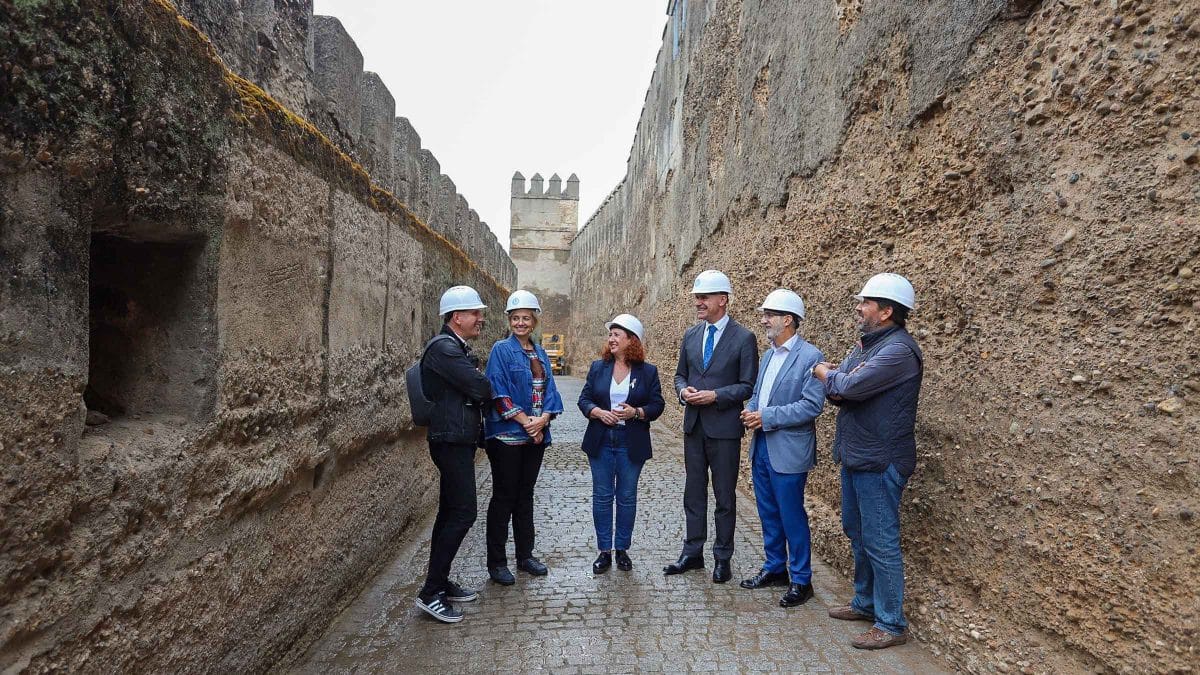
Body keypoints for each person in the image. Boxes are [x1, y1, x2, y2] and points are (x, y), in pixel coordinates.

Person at [813, 273, 923, 650]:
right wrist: (840, 380)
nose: (859, 308)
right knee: (857, 533)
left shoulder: (898, 351)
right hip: (858, 456)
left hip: (880, 461)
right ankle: (865, 602)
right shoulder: (866, 346)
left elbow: (844, 387)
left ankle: (891, 623)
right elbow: (842, 394)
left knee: (880, 541)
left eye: (866, 304)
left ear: (887, 311)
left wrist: (826, 372)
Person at [666, 270, 758, 583]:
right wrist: (683, 391)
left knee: (724, 497)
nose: (698, 302)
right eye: (697, 297)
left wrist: (716, 395)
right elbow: (680, 375)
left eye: (704, 297)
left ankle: (722, 557)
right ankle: (692, 553)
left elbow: (747, 386)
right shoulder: (691, 335)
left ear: (723, 299)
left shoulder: (744, 338)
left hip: (725, 430)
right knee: (693, 493)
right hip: (694, 427)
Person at [738, 289, 826, 608]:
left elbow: (811, 406)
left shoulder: (811, 357)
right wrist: (751, 410)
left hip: (788, 449)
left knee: (791, 515)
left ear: (788, 320)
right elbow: (759, 394)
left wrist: (767, 416)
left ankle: (801, 580)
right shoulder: (768, 355)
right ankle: (775, 568)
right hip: (762, 445)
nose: (763, 321)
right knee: (768, 513)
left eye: (769, 315)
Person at [414, 285, 493, 624]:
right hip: (450, 440)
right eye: (475, 313)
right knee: (463, 513)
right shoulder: (445, 349)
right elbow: (480, 388)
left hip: (455, 439)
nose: (480, 319)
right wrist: (478, 380)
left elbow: (474, 384)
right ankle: (430, 592)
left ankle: (440, 581)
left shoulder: (455, 348)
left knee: (449, 513)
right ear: (456, 317)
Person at [482, 290, 564, 585]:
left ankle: (525, 555)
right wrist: (525, 420)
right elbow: (497, 391)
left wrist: (543, 420)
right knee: (504, 496)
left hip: (534, 437)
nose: (520, 323)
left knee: (525, 496)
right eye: (515, 318)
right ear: (509, 320)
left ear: (534, 322)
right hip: (506, 437)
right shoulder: (500, 351)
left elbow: (550, 392)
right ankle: (497, 562)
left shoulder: (540, 352)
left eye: (525, 318)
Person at [578, 314, 665, 574]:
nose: (611, 339)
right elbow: (583, 399)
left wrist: (636, 413)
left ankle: (622, 549)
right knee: (602, 497)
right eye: (610, 334)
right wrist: (597, 412)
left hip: (631, 441)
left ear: (631, 340)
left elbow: (657, 405)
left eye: (617, 334)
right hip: (601, 440)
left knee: (626, 497)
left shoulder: (648, 372)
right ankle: (604, 551)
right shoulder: (598, 367)